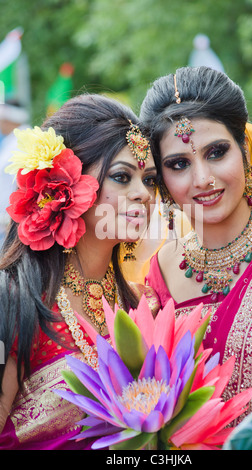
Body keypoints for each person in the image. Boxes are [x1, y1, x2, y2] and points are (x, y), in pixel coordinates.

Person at [0, 93, 160, 449]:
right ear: (62, 185)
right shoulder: (16, 300)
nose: (144, 195)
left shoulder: (144, 305)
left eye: (149, 180)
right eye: (122, 177)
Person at [139, 66, 252, 422]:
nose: (203, 179)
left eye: (216, 152)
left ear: (243, 148)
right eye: (179, 164)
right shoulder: (158, 273)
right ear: (160, 179)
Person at [0, 99, 30, 247]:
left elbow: (22, 184)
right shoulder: (10, 140)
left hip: (12, 224)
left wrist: (12, 221)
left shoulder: (22, 141)